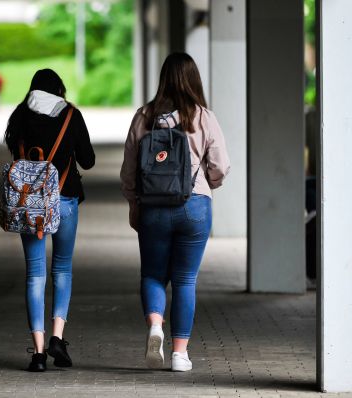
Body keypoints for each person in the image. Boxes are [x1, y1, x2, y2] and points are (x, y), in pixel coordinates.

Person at [119, 53, 230, 372]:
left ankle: (155, 325)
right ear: (194, 79)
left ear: (163, 78)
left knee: (153, 274)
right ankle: (180, 354)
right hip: (194, 205)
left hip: (153, 206)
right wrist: (206, 185)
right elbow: (220, 167)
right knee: (185, 280)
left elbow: (129, 170)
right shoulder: (204, 117)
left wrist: (134, 203)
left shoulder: (145, 116)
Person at [4, 69, 95, 372]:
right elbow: (88, 160)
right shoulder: (70, 114)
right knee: (63, 268)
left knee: (34, 274)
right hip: (65, 199)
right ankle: (58, 336)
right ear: (59, 89)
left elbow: (14, 153)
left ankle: (39, 353)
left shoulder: (20, 114)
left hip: (29, 206)